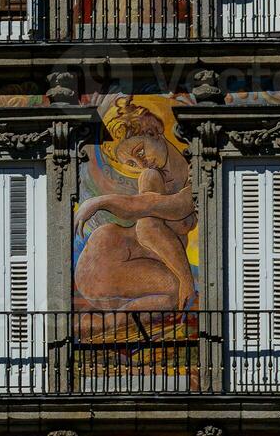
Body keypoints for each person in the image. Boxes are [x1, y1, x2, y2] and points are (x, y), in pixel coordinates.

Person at [74, 98, 196, 311]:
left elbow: (175, 205)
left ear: (154, 130)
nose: (141, 164)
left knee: (173, 295)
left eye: (139, 152)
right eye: (132, 163)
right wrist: (187, 279)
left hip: (128, 259)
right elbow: (148, 229)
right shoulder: (150, 176)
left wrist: (100, 201)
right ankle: (101, 326)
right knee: (174, 290)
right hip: (105, 259)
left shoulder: (193, 175)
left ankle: (99, 324)